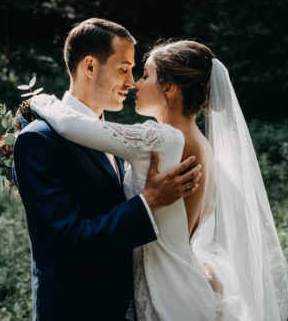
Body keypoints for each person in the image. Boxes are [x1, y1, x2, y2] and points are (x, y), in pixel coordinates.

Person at [29, 39, 288, 320]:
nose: (135, 84)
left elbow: (72, 125)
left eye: (145, 75)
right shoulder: (203, 146)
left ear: (168, 87)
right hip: (186, 284)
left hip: (166, 298)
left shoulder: (163, 140)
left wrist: (40, 101)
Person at [12, 18, 202, 321]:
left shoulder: (116, 138)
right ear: (90, 66)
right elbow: (68, 243)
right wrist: (148, 202)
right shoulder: (39, 139)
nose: (131, 81)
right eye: (123, 69)